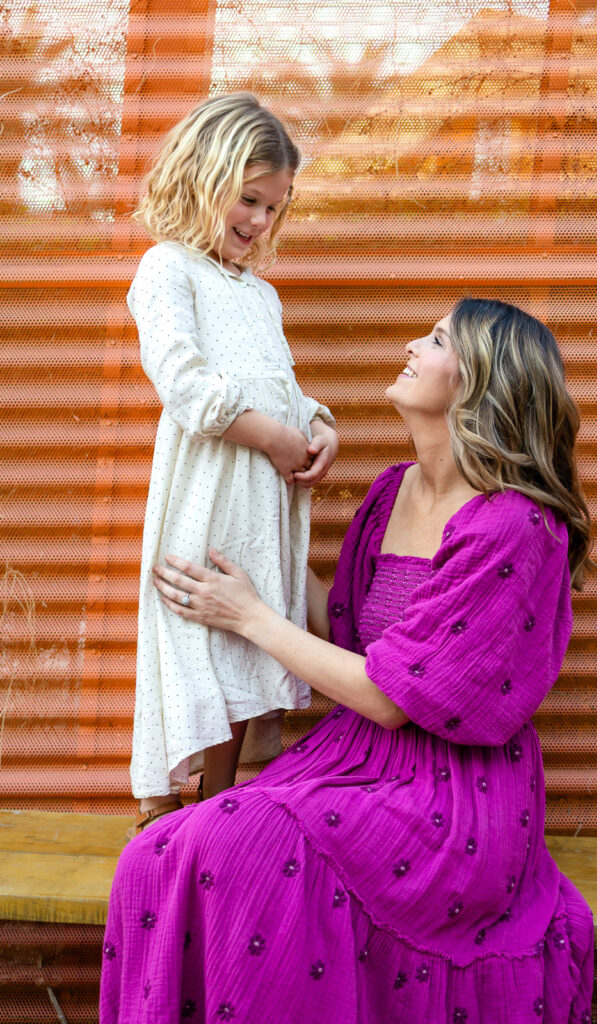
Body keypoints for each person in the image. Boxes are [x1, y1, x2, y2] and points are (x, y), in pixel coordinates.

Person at [101, 298, 595, 1023]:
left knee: (232, 848)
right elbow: (345, 632)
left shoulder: (513, 526)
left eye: (434, 340)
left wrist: (248, 616)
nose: (409, 346)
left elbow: (392, 696)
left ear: (478, 383)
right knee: (152, 857)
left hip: (451, 796)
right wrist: (255, 534)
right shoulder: (392, 491)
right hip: (352, 759)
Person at [126, 93, 338, 833]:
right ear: (201, 178)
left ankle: (214, 808)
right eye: (248, 200)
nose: (260, 221)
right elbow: (183, 383)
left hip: (260, 504)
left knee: (246, 641)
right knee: (195, 634)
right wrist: (272, 438)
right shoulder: (168, 268)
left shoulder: (262, 296)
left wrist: (316, 426)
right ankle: (160, 807)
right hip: (206, 494)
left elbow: (280, 386)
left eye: (274, 208)